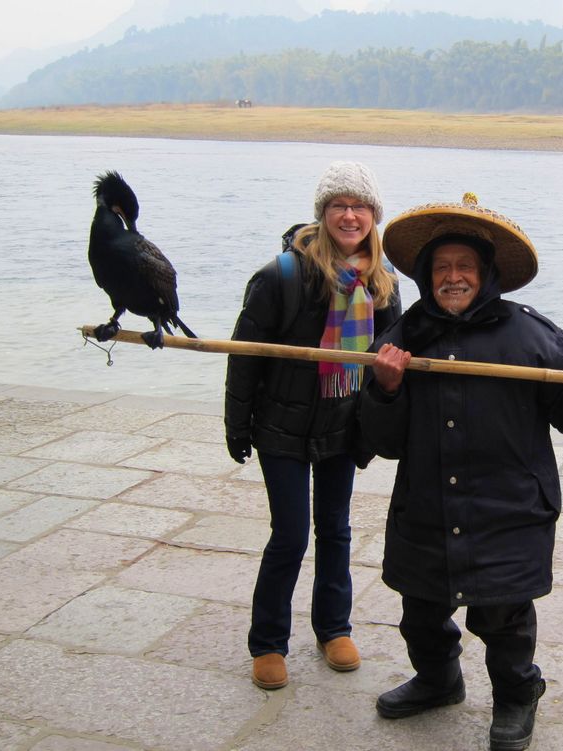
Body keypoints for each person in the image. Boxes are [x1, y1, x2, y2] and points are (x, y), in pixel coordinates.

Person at [360, 193, 563, 751]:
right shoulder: (403, 338)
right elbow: (383, 440)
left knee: (504, 619)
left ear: (486, 274)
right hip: (426, 505)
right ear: (428, 277)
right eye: (443, 268)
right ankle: (438, 680)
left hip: (509, 508)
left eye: (465, 267)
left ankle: (517, 697)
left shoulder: (531, 337)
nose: (454, 278)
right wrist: (386, 388)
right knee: (421, 611)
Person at [224, 161, 401, 690]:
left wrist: (375, 430)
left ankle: (333, 629)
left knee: (337, 530)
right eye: (338, 206)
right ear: (321, 215)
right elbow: (244, 357)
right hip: (280, 426)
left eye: (359, 206)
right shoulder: (282, 275)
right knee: (290, 534)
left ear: (374, 215)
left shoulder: (385, 285)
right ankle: (269, 642)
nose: (349, 215)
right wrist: (237, 426)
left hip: (341, 429)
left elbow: (389, 368)